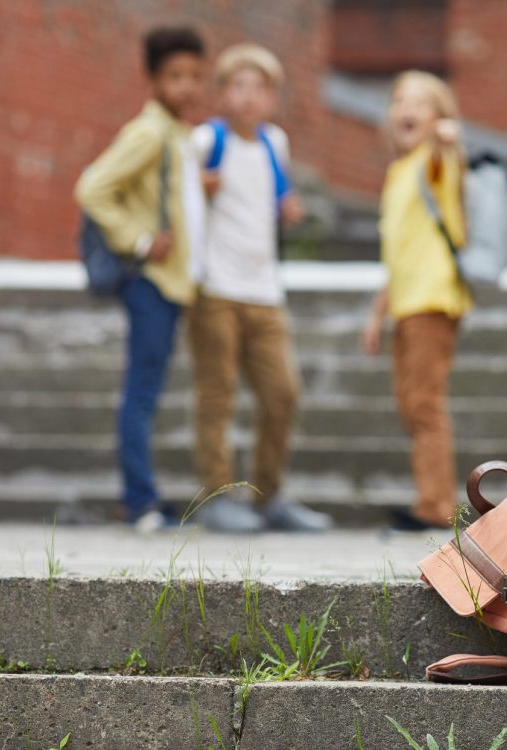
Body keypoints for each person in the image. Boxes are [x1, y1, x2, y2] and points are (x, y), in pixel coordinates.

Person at [185, 43, 330, 533]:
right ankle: (218, 495)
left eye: (260, 88)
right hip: (216, 290)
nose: (249, 97)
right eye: (239, 86)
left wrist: (287, 208)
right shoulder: (206, 141)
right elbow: (181, 203)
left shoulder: (275, 143)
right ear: (223, 93)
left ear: (272, 99)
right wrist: (196, 190)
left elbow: (273, 194)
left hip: (265, 291)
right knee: (217, 394)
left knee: (282, 393)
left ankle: (270, 495)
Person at [75, 26, 207, 532]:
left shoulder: (177, 133)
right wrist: (138, 240)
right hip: (150, 282)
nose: (187, 86)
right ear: (153, 79)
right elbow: (92, 188)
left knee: (147, 387)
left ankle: (142, 495)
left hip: (173, 283)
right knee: (142, 390)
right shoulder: (149, 131)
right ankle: (139, 500)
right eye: (175, 76)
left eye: (195, 76)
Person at [361, 70, 469, 532]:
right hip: (405, 302)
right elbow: (398, 252)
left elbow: (449, 153)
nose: (406, 109)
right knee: (411, 404)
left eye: (421, 103)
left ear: (438, 116)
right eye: (399, 100)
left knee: (424, 404)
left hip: (432, 298)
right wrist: (377, 313)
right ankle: (431, 498)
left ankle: (435, 505)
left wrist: (447, 138)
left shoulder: (433, 162)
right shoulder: (397, 171)